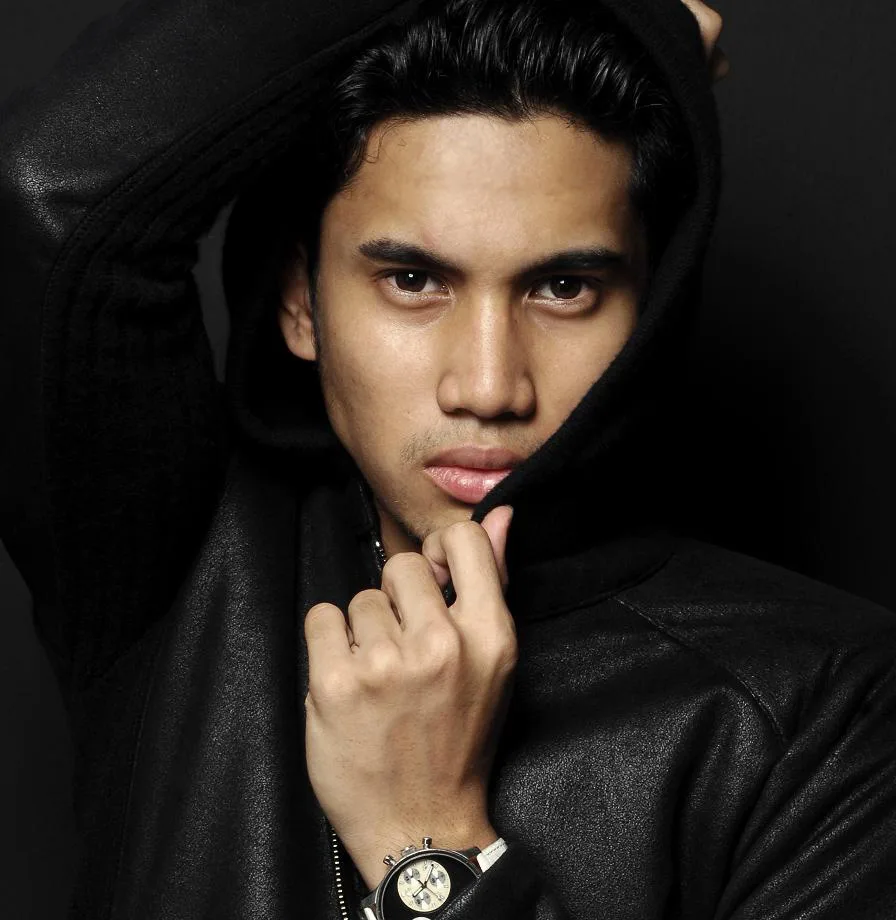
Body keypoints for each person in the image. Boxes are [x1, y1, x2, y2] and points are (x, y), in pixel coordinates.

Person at [0, 0, 893, 918]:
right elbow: (52, 190)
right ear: (302, 303)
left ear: (649, 310)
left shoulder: (823, 706)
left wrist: (425, 839)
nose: (488, 386)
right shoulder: (179, 565)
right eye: (413, 280)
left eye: (563, 287)